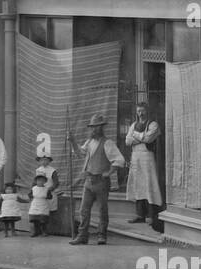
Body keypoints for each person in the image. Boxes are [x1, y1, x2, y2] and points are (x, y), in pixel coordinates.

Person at [67, 112, 125, 245]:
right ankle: (82, 236)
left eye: (97, 127)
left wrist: (109, 172)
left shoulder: (108, 143)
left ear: (102, 127)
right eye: (92, 127)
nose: (94, 129)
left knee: (102, 210)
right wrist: (73, 141)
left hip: (101, 182)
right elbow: (79, 154)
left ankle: (102, 235)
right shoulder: (89, 142)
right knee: (83, 210)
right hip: (89, 180)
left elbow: (120, 160)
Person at [126, 101, 164, 233]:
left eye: (142, 111)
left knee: (149, 184)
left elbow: (148, 139)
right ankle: (140, 215)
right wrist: (141, 137)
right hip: (135, 157)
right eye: (138, 111)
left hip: (147, 157)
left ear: (147, 111)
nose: (140, 114)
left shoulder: (153, 124)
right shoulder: (133, 125)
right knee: (138, 184)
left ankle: (150, 215)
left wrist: (135, 136)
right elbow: (127, 141)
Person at [34, 153, 59, 224]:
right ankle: (40, 228)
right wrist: (33, 190)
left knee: (50, 210)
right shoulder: (38, 170)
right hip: (40, 194)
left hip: (49, 192)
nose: (44, 162)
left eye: (46, 160)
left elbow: (56, 182)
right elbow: (35, 181)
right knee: (40, 210)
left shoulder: (53, 170)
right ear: (39, 161)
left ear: (49, 161)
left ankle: (51, 228)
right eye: (42, 160)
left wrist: (50, 189)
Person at [28, 173, 54, 237]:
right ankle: (35, 232)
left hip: (43, 204)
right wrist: (32, 196)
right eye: (39, 180)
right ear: (36, 181)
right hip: (35, 204)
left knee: (43, 220)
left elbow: (50, 197)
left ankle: (44, 232)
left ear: (45, 182)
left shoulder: (46, 189)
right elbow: (29, 194)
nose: (40, 182)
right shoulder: (33, 188)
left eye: (42, 180)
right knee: (35, 220)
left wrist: (46, 196)